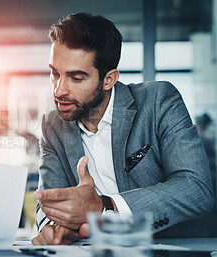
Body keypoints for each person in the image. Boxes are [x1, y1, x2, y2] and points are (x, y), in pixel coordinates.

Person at [32, 12, 217, 245]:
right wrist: (54, 227)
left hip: (181, 246)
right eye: (55, 73)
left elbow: (196, 189)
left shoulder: (158, 101)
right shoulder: (53, 126)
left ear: (109, 79)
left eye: (76, 78)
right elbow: (49, 200)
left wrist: (104, 205)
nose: (59, 90)